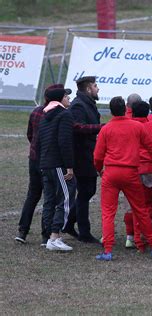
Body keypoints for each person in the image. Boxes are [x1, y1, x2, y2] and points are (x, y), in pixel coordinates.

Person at [93, 97, 152, 261]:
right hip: (131, 173)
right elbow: (151, 148)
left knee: (108, 212)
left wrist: (99, 169)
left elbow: (97, 156)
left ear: (110, 111)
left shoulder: (106, 129)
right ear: (125, 109)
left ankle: (108, 250)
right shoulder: (136, 126)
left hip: (111, 172)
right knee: (141, 209)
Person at [15, 84, 70, 244]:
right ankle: (46, 235)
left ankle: (22, 231)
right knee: (50, 198)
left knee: (32, 195)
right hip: (49, 161)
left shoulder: (36, 111)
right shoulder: (59, 114)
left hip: (34, 159)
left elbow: (30, 134)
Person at [37, 87, 76, 251]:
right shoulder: (64, 115)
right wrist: (69, 166)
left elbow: (39, 141)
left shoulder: (45, 115)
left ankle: (47, 237)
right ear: (60, 99)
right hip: (58, 164)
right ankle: (54, 236)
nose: (69, 98)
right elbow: (64, 142)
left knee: (49, 201)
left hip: (45, 164)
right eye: (66, 96)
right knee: (66, 198)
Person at [67, 76, 103, 243]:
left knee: (88, 192)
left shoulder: (87, 104)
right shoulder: (78, 106)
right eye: (95, 86)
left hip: (88, 155)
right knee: (85, 192)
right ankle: (84, 231)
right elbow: (77, 128)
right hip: (81, 156)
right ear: (88, 89)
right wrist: (100, 128)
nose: (98, 89)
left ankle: (69, 224)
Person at [127, 101, 152, 250]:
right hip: (150, 169)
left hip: (132, 169)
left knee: (137, 206)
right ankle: (144, 236)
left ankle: (137, 238)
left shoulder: (127, 127)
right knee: (151, 205)